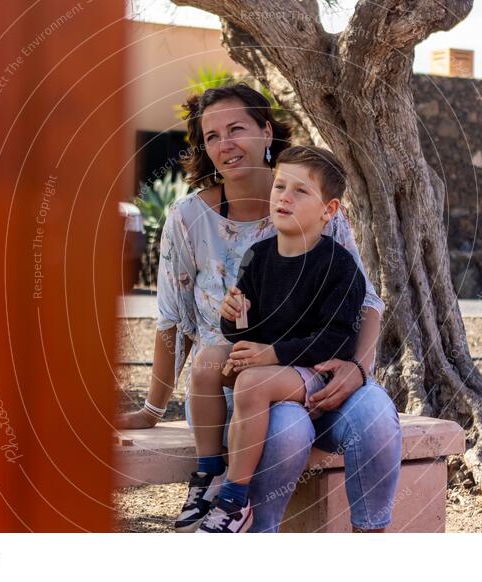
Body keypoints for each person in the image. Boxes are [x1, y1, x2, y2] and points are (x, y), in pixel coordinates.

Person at [117, 83, 402, 533]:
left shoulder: (314, 205)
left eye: (237, 129)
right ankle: (250, 527)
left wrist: (358, 370)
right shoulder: (187, 219)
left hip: (320, 369)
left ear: (266, 132)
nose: (225, 144)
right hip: (231, 382)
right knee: (286, 429)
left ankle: (371, 538)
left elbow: (366, 301)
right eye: (212, 136)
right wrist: (153, 408)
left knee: (377, 416)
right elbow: (174, 323)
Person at [177, 145, 366, 533]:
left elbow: (338, 340)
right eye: (280, 185)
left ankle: (235, 499)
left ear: (328, 210)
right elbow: (247, 330)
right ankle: (209, 473)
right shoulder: (258, 256)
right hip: (271, 360)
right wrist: (234, 319)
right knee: (208, 362)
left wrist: (271, 354)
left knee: (250, 381)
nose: (284, 196)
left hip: (312, 369)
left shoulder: (338, 265)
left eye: (300, 191)